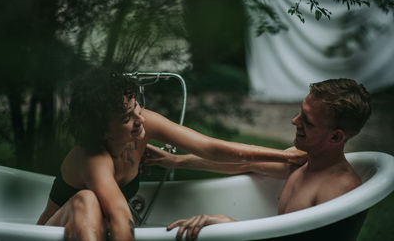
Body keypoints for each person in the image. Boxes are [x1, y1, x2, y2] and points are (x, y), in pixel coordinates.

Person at [36, 67, 306, 241]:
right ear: (101, 131)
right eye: (126, 118)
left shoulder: (141, 127)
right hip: (47, 235)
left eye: (137, 107)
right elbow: (121, 216)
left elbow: (210, 147)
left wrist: (284, 156)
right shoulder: (93, 159)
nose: (139, 120)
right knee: (87, 200)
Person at [145, 78, 372, 241]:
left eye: (307, 121)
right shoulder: (303, 160)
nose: (294, 121)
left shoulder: (338, 190)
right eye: (300, 112)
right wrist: (173, 161)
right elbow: (245, 163)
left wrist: (230, 226)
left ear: (335, 136)